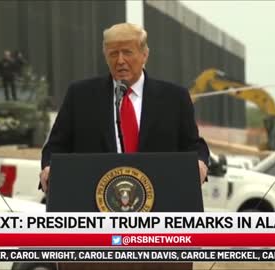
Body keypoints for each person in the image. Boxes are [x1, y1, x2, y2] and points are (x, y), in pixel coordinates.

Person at [39, 24, 209, 269]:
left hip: (158, 238)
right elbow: (55, 146)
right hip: (95, 240)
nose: (120, 61)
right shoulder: (81, 96)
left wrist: (200, 163)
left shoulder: (175, 98)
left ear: (144, 54)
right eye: (112, 53)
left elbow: (194, 145)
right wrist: (48, 168)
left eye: (127, 52)